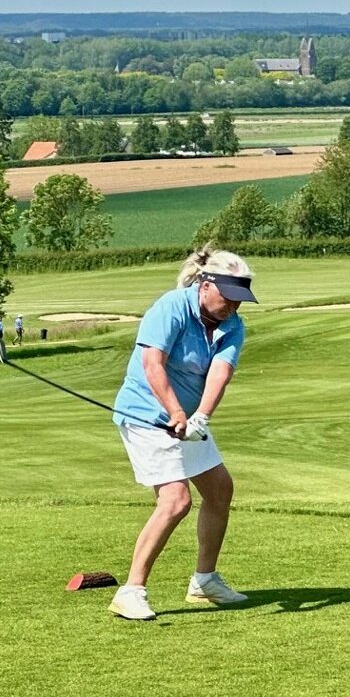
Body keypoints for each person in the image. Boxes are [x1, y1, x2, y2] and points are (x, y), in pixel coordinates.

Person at [108, 247, 258, 622]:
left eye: (240, 301)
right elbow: (151, 363)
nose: (233, 307)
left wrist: (201, 417)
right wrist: (176, 412)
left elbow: (219, 372)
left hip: (186, 421)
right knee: (175, 501)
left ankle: (204, 582)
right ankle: (131, 591)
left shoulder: (231, 325)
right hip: (145, 415)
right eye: (228, 297)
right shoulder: (171, 307)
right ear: (206, 285)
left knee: (220, 489)